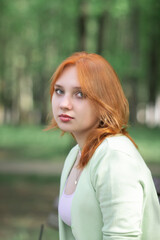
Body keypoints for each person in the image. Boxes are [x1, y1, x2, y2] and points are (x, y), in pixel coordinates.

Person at [48, 52, 160, 240]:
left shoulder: (115, 158)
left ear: (104, 101)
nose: (64, 104)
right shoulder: (75, 155)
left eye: (80, 94)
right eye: (59, 91)